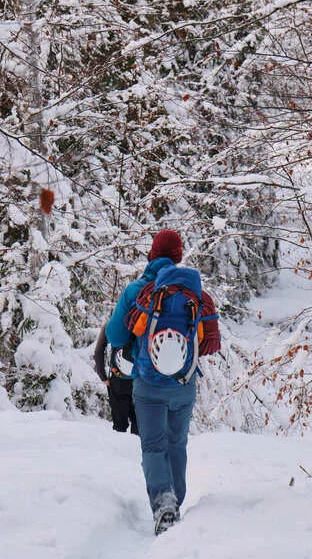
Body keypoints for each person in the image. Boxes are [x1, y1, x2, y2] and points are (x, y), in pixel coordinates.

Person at [104, 229, 220, 534]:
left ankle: (163, 504)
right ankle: (175, 505)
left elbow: (115, 336)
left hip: (147, 385)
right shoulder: (196, 296)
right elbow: (209, 344)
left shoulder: (137, 291)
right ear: (179, 257)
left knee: (153, 447)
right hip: (183, 385)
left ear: (151, 255)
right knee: (176, 444)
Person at [93, 327, 139, 434]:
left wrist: (103, 376)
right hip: (140, 379)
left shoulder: (113, 323)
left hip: (118, 378)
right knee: (139, 422)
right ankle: (136, 448)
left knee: (119, 425)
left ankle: (118, 447)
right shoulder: (143, 319)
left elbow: (99, 351)